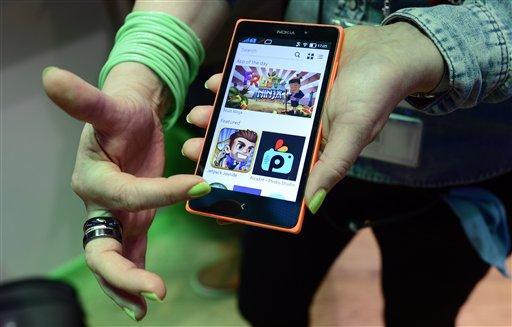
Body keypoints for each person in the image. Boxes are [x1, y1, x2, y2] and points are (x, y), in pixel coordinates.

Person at [43, 0, 512, 325]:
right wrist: (142, 78)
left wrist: (419, 47)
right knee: (267, 303)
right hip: (298, 169)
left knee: (423, 314)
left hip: (463, 168)